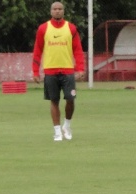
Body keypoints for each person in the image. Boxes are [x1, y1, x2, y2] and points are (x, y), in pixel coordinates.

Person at [32, 1, 85, 141]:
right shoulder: (43, 28)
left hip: (68, 70)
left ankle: (66, 125)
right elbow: (37, 50)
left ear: (63, 11)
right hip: (50, 71)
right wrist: (35, 71)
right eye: (54, 9)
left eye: (60, 9)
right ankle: (57, 131)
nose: (57, 11)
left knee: (70, 99)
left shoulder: (71, 28)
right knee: (54, 101)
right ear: (51, 11)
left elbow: (78, 50)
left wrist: (80, 68)